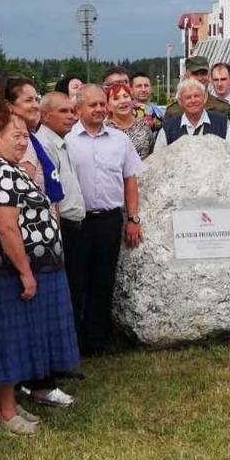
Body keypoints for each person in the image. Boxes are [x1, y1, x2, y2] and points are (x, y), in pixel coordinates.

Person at [0, 111, 81, 435]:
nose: (22, 142)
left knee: (22, 340)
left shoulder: (11, 170)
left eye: (25, 136)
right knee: (11, 341)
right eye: (15, 135)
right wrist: (25, 272)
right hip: (10, 274)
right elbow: (7, 227)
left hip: (30, 269)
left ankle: (10, 406)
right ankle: (5, 414)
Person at [64, 85, 144, 356]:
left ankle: (96, 342)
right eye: (92, 105)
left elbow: (130, 180)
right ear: (78, 109)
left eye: (101, 104)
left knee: (102, 282)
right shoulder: (67, 141)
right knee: (75, 283)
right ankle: (74, 341)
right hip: (76, 223)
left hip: (110, 221)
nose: (99, 109)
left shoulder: (120, 141)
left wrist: (133, 218)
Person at [36, 95, 88, 286]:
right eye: (63, 111)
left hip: (74, 226)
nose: (71, 116)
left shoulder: (61, 142)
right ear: (45, 116)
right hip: (61, 226)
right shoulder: (45, 144)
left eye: (72, 111)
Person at [154, 79, 230, 150]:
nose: (193, 100)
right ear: (180, 102)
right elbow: (158, 159)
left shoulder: (224, 124)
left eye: (197, 96)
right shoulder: (167, 129)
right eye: (188, 97)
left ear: (205, 98)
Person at [163, 57, 230, 119]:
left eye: (203, 73)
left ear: (209, 76)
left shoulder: (222, 108)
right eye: (195, 74)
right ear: (186, 76)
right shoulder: (174, 111)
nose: (200, 78)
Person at [105, 83, 154, 159]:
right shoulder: (104, 130)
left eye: (125, 96)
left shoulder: (143, 125)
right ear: (108, 106)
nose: (123, 101)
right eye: (116, 98)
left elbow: (152, 152)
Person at [130, 72, 164, 139]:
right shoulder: (126, 112)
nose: (143, 89)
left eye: (146, 86)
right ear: (131, 89)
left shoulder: (159, 112)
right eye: (139, 86)